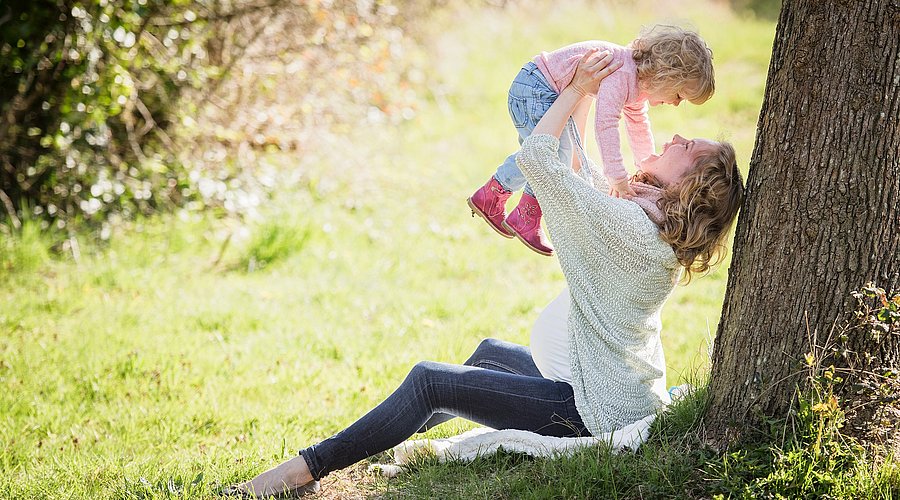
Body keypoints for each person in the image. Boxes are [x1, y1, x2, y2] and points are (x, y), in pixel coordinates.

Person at [225, 49, 743, 498]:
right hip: (605, 385)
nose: (676, 136)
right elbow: (583, 172)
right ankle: (375, 439)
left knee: (431, 381)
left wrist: (578, 90)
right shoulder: (646, 224)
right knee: (489, 355)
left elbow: (541, 158)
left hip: (592, 410)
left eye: (689, 148)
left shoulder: (629, 230)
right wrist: (586, 94)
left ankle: (305, 469)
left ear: (691, 188)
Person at [468, 25, 715, 256]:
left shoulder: (637, 84)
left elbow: (638, 125)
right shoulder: (623, 73)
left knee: (551, 153)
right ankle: (520, 211)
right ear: (665, 75)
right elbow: (605, 124)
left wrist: (645, 165)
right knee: (549, 153)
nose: (674, 103)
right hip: (535, 88)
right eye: (679, 95)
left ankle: (498, 199)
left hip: (541, 88)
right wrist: (617, 176)